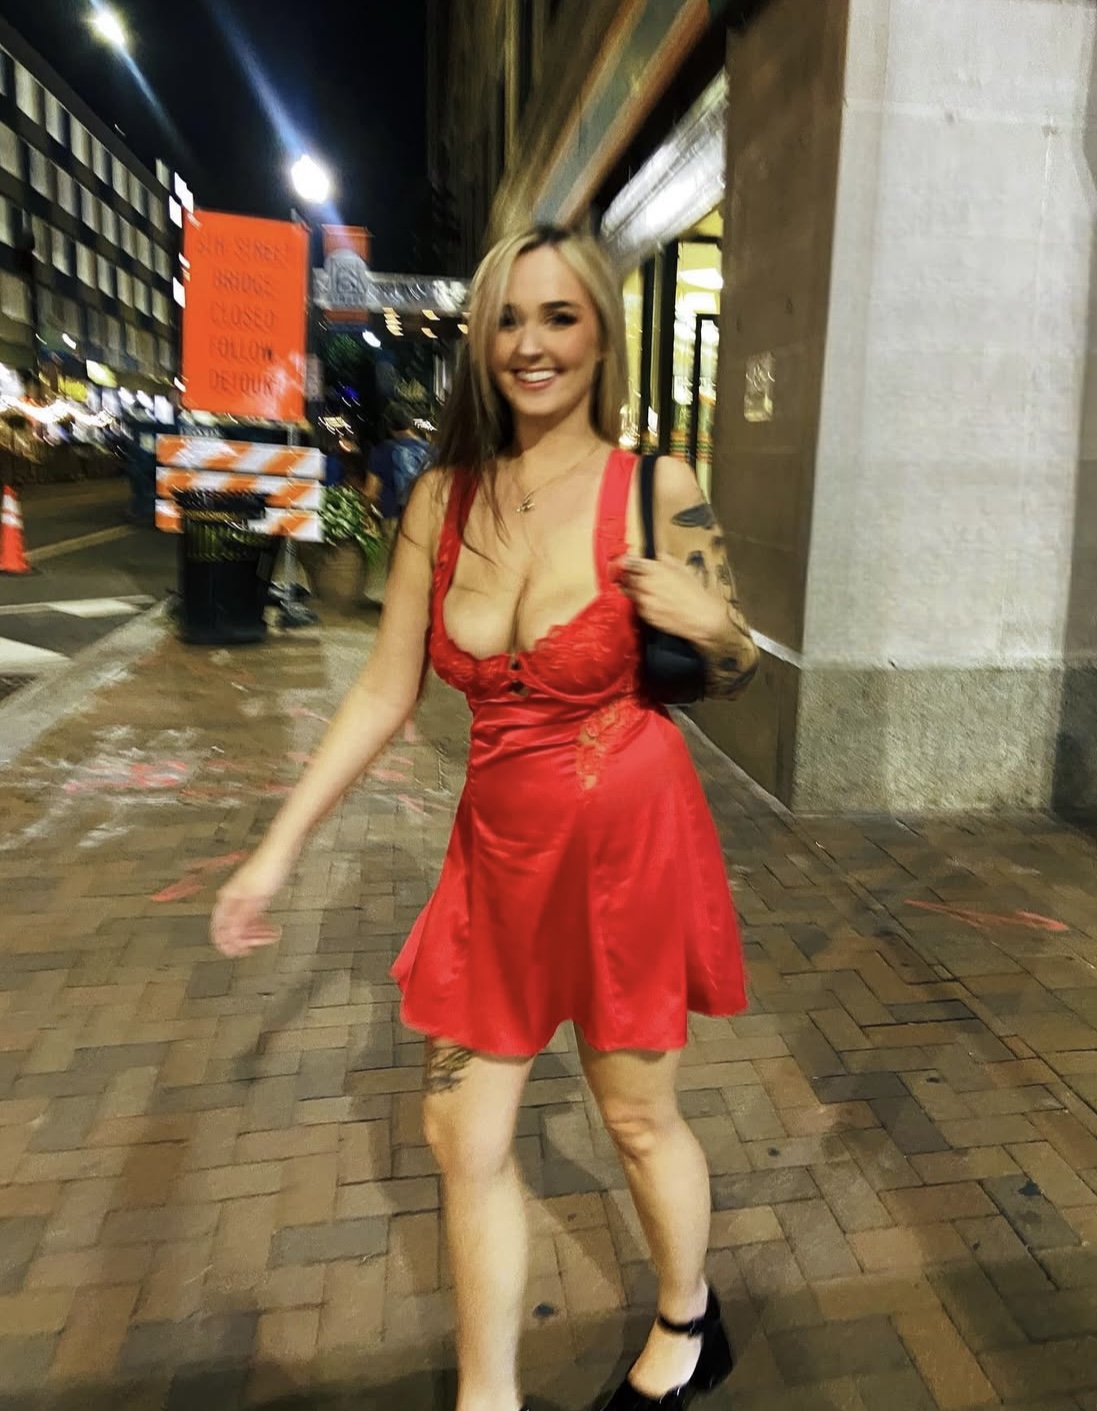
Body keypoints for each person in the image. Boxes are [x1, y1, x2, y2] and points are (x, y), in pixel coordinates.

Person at [210, 223, 759, 1411]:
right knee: (461, 1132)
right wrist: (275, 850)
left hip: (628, 853)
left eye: (559, 316)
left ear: (601, 335)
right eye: (508, 318)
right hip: (498, 861)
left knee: (636, 1117)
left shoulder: (656, 489)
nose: (531, 343)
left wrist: (712, 626)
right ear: (480, 342)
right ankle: (486, 1395)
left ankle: (688, 1320)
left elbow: (737, 662)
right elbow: (382, 688)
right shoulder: (441, 500)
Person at [365, 403, 432, 551]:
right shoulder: (433, 451)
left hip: (393, 521)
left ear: (389, 426)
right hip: (427, 520)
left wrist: (368, 514)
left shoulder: (381, 451)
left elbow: (370, 493)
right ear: (410, 423)